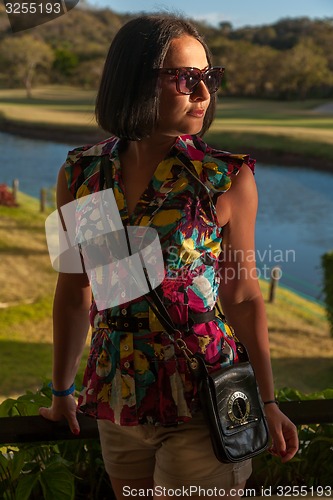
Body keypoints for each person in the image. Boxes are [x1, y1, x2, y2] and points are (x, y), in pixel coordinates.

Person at [40, 14, 298, 499]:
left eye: (209, 78)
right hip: (120, 393)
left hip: (205, 396)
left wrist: (266, 399)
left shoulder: (225, 179)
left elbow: (241, 296)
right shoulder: (83, 175)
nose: (203, 94)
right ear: (134, 81)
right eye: (185, 78)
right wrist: (61, 393)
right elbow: (76, 290)